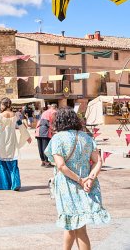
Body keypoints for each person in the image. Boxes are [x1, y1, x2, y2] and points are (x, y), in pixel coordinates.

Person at [44, 107, 110, 250]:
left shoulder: (57, 139)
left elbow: (61, 165)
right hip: (87, 186)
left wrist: (80, 180)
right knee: (72, 225)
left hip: (68, 186)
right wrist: (90, 179)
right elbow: (98, 161)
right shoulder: (87, 137)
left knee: (78, 227)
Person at [0, 98, 32, 191]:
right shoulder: (15, 116)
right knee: (12, 161)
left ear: (4, 105)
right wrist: (27, 137)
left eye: (1, 104)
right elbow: (22, 127)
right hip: (11, 140)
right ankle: (15, 183)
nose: (0, 106)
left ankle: (1, 184)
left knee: (1, 162)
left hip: (1, 140)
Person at [35, 103, 58, 168]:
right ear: (55, 108)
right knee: (46, 147)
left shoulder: (45, 112)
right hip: (45, 129)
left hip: (38, 129)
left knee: (40, 146)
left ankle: (43, 161)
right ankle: (47, 162)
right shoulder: (54, 111)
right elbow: (53, 121)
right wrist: (54, 130)